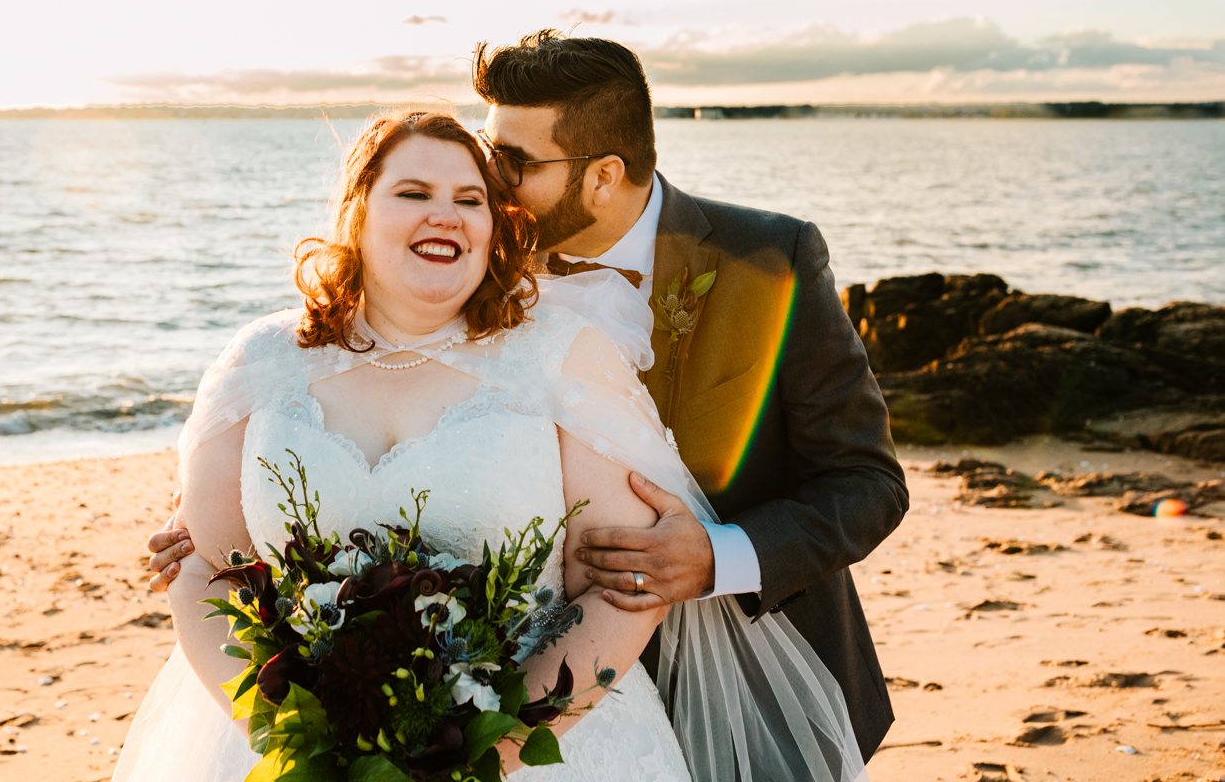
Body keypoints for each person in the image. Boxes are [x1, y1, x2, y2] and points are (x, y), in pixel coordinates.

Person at [115, 112, 864, 782]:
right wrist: (299, 745)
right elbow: (206, 571)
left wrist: (483, 756)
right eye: (413, 193)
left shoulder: (562, 357)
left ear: (493, 226)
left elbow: (622, 587)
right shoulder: (261, 359)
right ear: (357, 212)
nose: (446, 214)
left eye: (469, 200)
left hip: (546, 747)